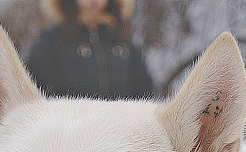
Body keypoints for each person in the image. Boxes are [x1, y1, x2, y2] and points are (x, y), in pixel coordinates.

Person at [26, 0, 154, 100]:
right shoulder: (52, 39)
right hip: (69, 129)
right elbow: (28, 85)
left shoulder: (124, 41)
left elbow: (145, 91)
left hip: (118, 129)